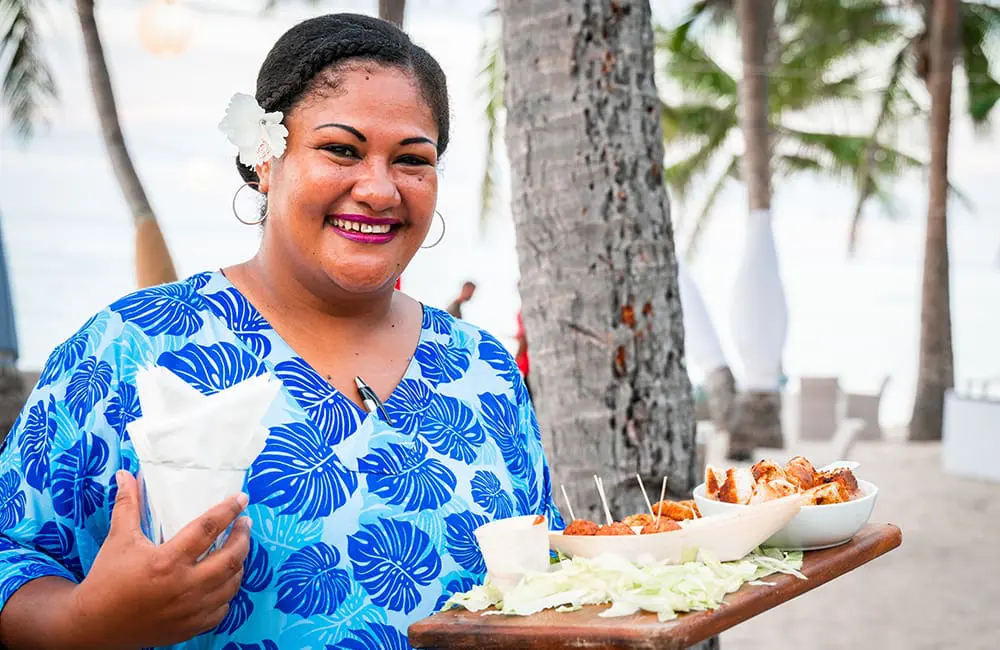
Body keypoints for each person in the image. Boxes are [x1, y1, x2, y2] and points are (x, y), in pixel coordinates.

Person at [0, 14, 561, 650]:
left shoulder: (482, 369)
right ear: (266, 158)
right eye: (341, 150)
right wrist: (90, 620)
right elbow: (11, 560)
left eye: (412, 160)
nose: (379, 189)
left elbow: (541, 569)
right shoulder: (132, 347)